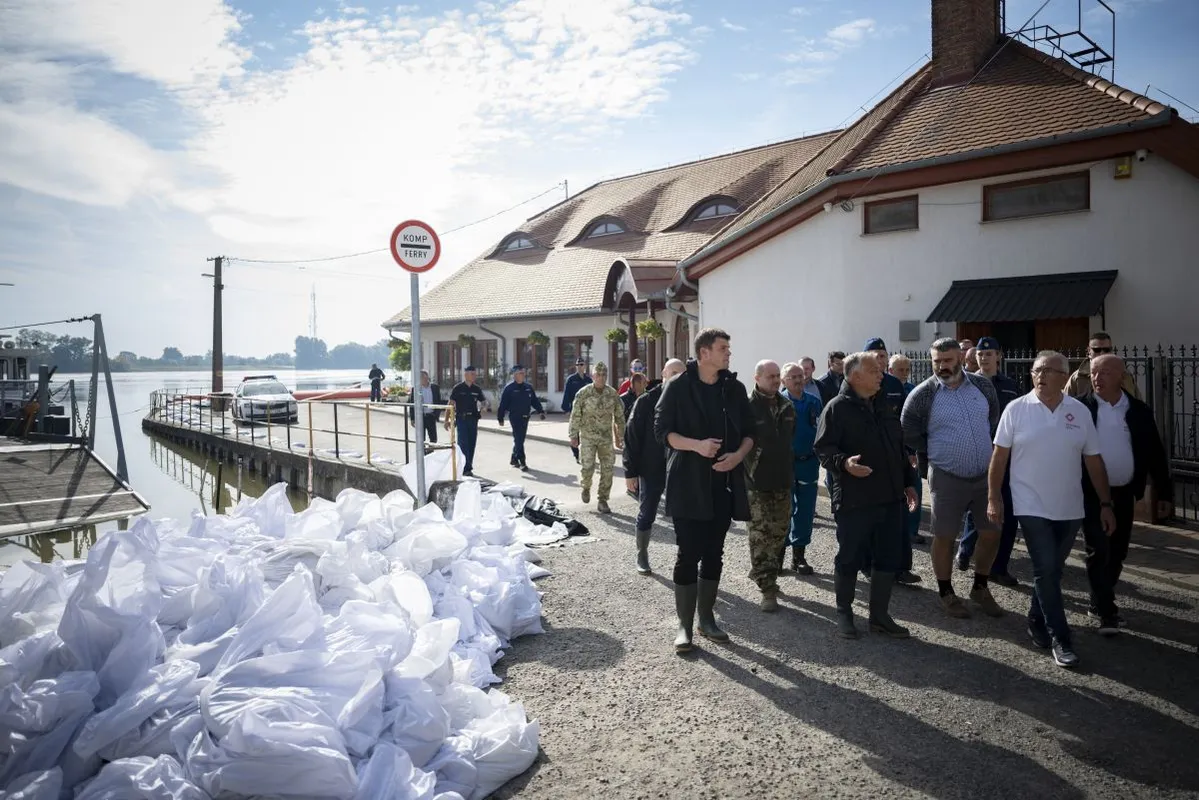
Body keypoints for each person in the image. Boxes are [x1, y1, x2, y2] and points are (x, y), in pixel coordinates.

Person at [987, 351, 1116, 669]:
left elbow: (1093, 460)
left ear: (1064, 376)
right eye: (1036, 370)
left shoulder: (1079, 412)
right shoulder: (1016, 410)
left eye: (1047, 370)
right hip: (1030, 505)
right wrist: (994, 498)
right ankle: (1061, 638)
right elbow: (999, 458)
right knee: (1045, 569)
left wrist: (1106, 503)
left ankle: (1035, 618)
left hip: (1070, 507)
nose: (1040, 375)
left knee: (1052, 572)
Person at [655, 328, 755, 653]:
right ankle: (684, 625)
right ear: (704, 353)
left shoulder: (734, 388)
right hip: (687, 482)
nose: (728, 353)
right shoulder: (677, 387)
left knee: (714, 553)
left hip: (723, 484)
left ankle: (706, 618)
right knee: (688, 554)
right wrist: (696, 446)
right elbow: (662, 431)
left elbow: (750, 432)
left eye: (729, 347)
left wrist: (737, 457)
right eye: (723, 348)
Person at [817, 351, 919, 640]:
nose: (881, 373)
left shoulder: (884, 405)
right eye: (874, 370)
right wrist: (844, 464)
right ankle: (844, 614)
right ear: (855, 376)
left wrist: (909, 482)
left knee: (888, 557)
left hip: (889, 497)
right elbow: (823, 449)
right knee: (850, 557)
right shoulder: (836, 408)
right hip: (855, 499)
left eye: (880, 369)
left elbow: (899, 449)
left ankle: (880, 617)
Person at [901, 338, 1004, 619]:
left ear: (960, 357)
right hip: (946, 476)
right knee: (944, 535)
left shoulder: (983, 386)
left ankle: (980, 587)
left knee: (992, 531)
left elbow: (992, 421)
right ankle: (946, 592)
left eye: (948, 360)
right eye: (937, 362)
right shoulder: (923, 394)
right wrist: (933, 449)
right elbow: (908, 429)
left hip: (984, 475)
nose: (943, 367)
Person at [1079, 353, 1173, 634]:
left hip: (1124, 493)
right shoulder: (1081, 408)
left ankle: (1099, 599)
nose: (1097, 378)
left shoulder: (1138, 411)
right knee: (1098, 549)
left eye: (1105, 372)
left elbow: (1155, 453)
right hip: (1091, 494)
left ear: (1122, 376)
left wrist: (1165, 493)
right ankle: (1107, 613)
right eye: (1094, 373)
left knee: (1118, 552)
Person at [957, 337, 1022, 585]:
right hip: (978, 453)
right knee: (978, 506)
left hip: (1005, 455)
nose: (984, 358)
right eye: (981, 355)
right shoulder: (966, 384)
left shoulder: (1010, 385)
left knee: (1009, 511)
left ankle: (999, 567)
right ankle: (966, 549)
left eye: (989, 354)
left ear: (999, 356)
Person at [624, 358, 686, 575]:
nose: (677, 377)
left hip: (679, 467)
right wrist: (630, 472)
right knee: (648, 510)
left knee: (683, 514)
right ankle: (642, 553)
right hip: (651, 467)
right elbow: (631, 438)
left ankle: (685, 558)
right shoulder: (646, 401)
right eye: (673, 373)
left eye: (681, 373)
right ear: (664, 374)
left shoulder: (689, 400)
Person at [745, 360, 796, 612]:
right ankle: (767, 587)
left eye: (778, 376)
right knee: (760, 535)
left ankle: (767, 573)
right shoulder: (747, 407)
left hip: (782, 480)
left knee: (779, 532)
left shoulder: (787, 406)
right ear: (757, 378)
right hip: (756, 484)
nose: (776, 380)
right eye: (770, 376)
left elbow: (790, 440)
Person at [781, 361, 821, 575]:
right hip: (785, 465)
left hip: (808, 463)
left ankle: (799, 558)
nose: (798, 380)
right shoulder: (779, 403)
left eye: (800, 376)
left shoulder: (814, 402)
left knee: (805, 511)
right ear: (783, 381)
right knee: (784, 509)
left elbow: (822, 432)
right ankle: (779, 556)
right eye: (793, 377)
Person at [569, 362, 625, 514]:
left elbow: (620, 416)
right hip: (588, 437)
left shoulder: (612, 394)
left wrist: (622, 436)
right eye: (598, 374)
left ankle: (603, 500)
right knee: (588, 468)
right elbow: (575, 415)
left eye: (603, 375)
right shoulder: (583, 393)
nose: (601, 378)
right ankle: (586, 487)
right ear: (593, 376)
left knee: (608, 469)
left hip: (605, 438)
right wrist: (573, 435)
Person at [889, 352, 926, 572]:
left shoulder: (913, 391)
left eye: (906, 369)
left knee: (915, 487)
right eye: (900, 369)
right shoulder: (885, 389)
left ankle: (913, 529)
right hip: (894, 449)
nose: (904, 373)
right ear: (891, 370)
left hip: (911, 449)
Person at [1067, 331, 1141, 399]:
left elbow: (1137, 402)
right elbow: (1065, 405)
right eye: (1097, 350)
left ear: (1111, 350)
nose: (1102, 353)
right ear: (1089, 351)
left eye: (1106, 350)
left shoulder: (1124, 375)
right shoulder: (1077, 377)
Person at [497, 365, 544, 470]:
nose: (523, 375)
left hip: (525, 417)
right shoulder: (509, 388)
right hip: (515, 417)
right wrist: (500, 417)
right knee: (519, 439)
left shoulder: (528, 387)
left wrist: (541, 411)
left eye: (523, 373)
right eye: (520, 373)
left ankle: (514, 458)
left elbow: (534, 401)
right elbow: (503, 404)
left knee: (519, 439)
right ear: (515, 375)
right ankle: (522, 461)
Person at [446, 365, 488, 477]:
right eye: (472, 374)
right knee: (463, 444)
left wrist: (483, 407)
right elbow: (450, 404)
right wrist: (447, 420)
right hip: (461, 419)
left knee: (471, 443)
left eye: (475, 374)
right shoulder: (458, 388)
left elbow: (483, 401)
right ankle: (464, 468)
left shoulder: (476, 389)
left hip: (473, 419)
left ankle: (468, 467)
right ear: (466, 375)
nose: (475, 376)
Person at [561, 357, 591, 463]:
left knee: (586, 434)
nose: (580, 367)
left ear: (585, 366)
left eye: (582, 364)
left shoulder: (588, 380)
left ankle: (585, 455)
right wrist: (566, 409)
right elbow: (567, 395)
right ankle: (576, 453)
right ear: (576, 366)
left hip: (587, 411)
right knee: (575, 434)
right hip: (575, 411)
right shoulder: (571, 379)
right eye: (578, 365)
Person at [406, 370, 442, 444]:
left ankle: (431, 453)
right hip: (420, 417)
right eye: (420, 377)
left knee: (433, 438)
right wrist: (412, 418)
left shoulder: (435, 388)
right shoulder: (416, 389)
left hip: (431, 416)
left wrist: (436, 415)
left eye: (424, 377)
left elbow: (438, 401)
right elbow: (412, 404)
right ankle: (423, 454)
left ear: (427, 377)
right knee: (421, 438)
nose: (422, 379)